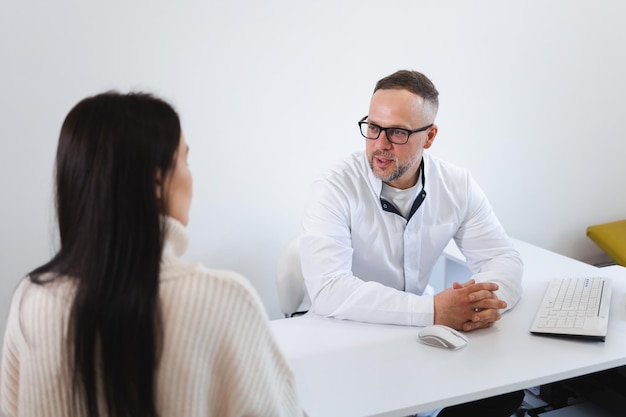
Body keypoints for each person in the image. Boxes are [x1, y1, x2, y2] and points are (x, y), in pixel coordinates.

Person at [0, 92, 303, 417]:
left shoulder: (31, 298)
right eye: (184, 161)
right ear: (156, 182)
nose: (190, 175)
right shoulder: (224, 300)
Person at [299, 70, 524, 417]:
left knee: (502, 393)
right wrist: (434, 310)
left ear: (430, 136)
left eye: (398, 132)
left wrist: (477, 304)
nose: (380, 144)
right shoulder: (333, 188)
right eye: (373, 127)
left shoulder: (456, 184)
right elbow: (329, 290)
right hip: (343, 342)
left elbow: (503, 257)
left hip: (414, 341)